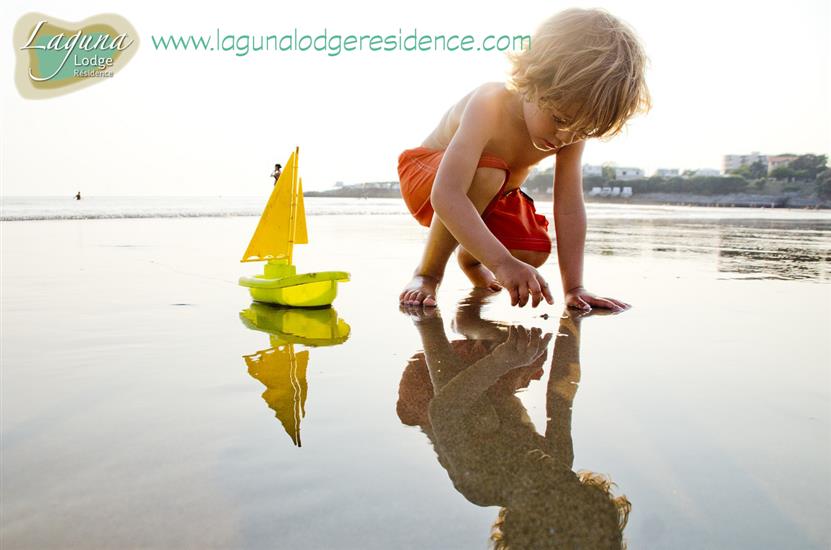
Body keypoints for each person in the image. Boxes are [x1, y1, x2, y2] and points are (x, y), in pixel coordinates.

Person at [398, 8, 650, 310]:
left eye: (582, 130)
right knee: (488, 173)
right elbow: (446, 193)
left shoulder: (570, 132)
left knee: (534, 248)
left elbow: (568, 209)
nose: (564, 137)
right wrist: (503, 263)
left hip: (489, 197)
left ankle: (472, 258)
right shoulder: (490, 103)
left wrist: (575, 287)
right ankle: (427, 273)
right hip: (429, 180)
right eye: (558, 119)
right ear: (534, 80)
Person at [397, 293, 631, 548]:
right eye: (573, 483)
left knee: (482, 417)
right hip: (486, 381)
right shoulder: (560, 463)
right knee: (531, 352)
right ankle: (468, 316)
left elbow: (443, 410)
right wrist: (573, 321)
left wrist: (500, 361)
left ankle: (427, 320)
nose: (559, 473)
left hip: (428, 386)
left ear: (525, 515)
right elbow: (560, 396)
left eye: (552, 488)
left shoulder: (482, 484)